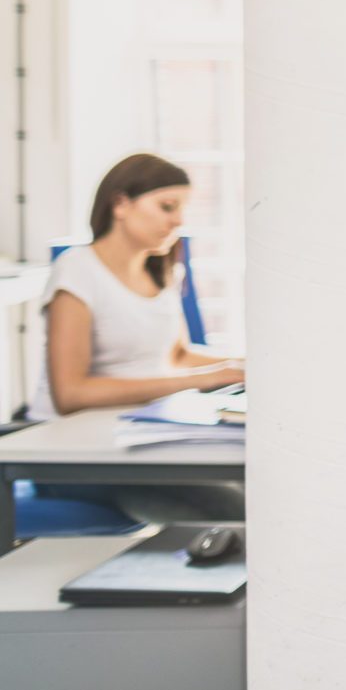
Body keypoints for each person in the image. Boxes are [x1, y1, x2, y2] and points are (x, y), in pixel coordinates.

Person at [31, 153, 245, 521]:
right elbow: (70, 394)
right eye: (166, 207)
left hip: (137, 438)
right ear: (120, 204)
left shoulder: (160, 270)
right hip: (75, 454)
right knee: (235, 508)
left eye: (181, 210)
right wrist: (204, 379)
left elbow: (176, 355)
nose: (177, 220)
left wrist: (237, 366)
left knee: (254, 487)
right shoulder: (77, 272)